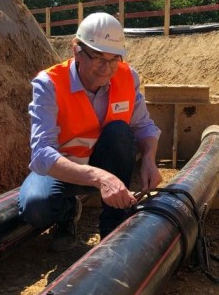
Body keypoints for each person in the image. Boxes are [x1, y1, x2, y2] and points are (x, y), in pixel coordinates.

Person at [18, 12, 163, 247]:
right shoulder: (50, 84)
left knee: (119, 132)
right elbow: (42, 153)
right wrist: (100, 177)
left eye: (113, 59)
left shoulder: (127, 77)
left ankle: (113, 227)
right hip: (66, 167)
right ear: (76, 50)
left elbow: (144, 127)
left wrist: (149, 158)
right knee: (36, 208)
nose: (106, 69)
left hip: (107, 161)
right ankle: (67, 212)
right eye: (98, 58)